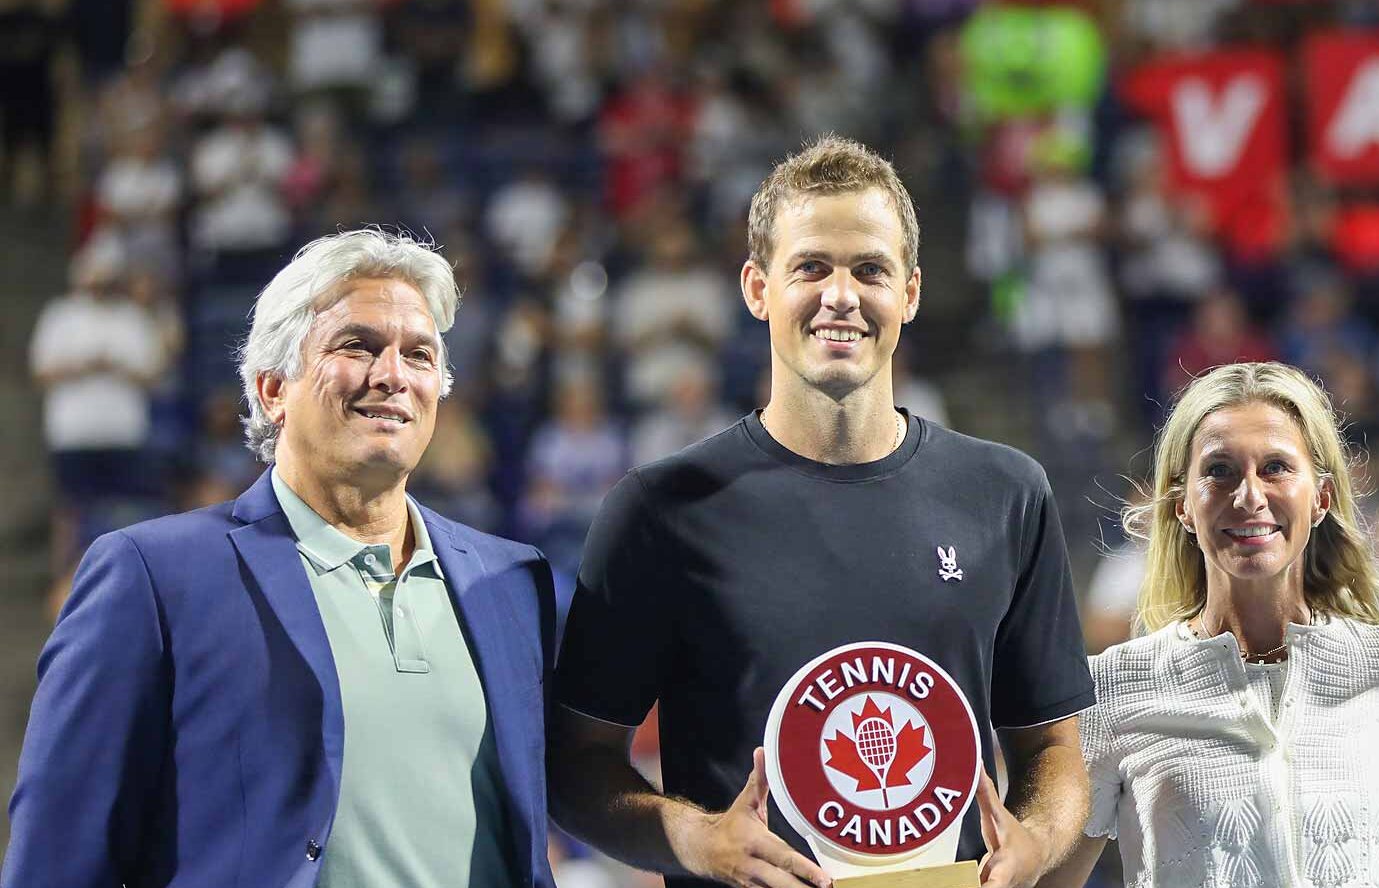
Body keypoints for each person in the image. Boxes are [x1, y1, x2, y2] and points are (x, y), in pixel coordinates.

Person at [548, 135, 1096, 888]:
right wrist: (697, 838)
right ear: (756, 288)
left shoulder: (1006, 493)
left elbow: (1053, 750)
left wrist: (1034, 840)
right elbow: (577, 764)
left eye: (869, 269)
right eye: (811, 266)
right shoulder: (660, 510)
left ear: (909, 292)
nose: (841, 295)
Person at [4, 230, 557, 888]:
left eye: (420, 354)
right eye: (357, 345)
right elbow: (56, 859)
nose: (393, 375)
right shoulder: (152, 576)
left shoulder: (511, 582)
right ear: (271, 389)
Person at [1041, 361, 1379, 888]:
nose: (1250, 496)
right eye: (1219, 470)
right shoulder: (1114, 686)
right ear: (1182, 503)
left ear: (1320, 498)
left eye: (1275, 467)